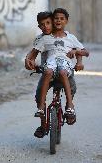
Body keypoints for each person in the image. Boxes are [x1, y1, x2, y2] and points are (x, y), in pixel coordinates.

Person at [25, 9, 89, 137]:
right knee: (39, 97)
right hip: (49, 69)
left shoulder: (70, 37)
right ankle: (43, 124)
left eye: (48, 23)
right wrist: (28, 61)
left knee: (71, 88)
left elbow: (81, 50)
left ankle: (69, 108)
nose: (57, 21)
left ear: (66, 21)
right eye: (55, 19)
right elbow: (32, 54)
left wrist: (78, 60)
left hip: (63, 68)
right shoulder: (43, 38)